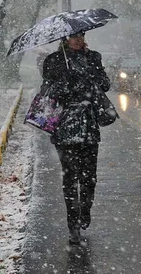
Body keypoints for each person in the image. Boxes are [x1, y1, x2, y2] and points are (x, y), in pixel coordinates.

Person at [41, 31, 110, 245]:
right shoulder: (54, 61)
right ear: (65, 39)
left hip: (89, 126)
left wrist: (93, 79)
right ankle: (73, 226)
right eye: (73, 36)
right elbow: (47, 91)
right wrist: (67, 84)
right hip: (65, 127)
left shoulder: (93, 57)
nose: (78, 40)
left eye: (81, 35)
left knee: (89, 178)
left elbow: (105, 85)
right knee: (70, 179)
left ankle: (85, 210)